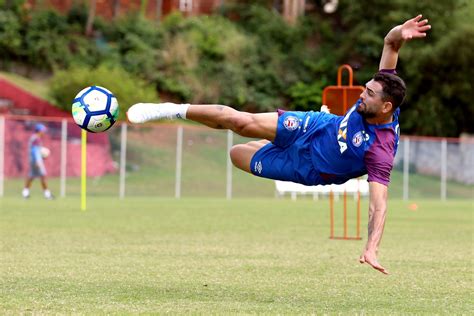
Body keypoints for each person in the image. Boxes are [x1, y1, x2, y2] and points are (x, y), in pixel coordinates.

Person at [126, 15, 431, 274]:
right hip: (314, 126)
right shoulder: (382, 88)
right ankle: (170, 109)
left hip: (308, 169)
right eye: (365, 89)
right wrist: (399, 33)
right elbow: (390, 44)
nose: (361, 95)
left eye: (368, 95)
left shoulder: (380, 150)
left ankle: (269, 144)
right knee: (241, 122)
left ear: (386, 108)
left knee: (236, 154)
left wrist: (371, 248)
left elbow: (379, 205)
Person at [22, 123, 54, 200]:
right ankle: (47, 195)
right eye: (43, 131)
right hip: (36, 161)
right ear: (39, 131)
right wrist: (38, 160)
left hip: (33, 160)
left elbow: (35, 150)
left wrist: (41, 155)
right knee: (43, 176)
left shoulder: (34, 138)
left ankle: (25, 193)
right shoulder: (36, 138)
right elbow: (34, 150)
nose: (44, 132)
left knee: (31, 176)